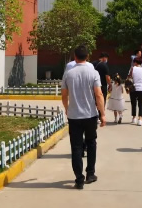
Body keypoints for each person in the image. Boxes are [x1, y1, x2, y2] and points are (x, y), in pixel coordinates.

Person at [61, 45, 106, 190]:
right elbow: (98, 94)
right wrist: (102, 114)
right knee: (91, 143)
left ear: (75, 57)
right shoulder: (93, 73)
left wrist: (67, 108)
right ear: (87, 57)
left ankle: (79, 179)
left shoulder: (68, 74)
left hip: (74, 116)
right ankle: (90, 174)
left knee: (76, 147)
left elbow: (64, 95)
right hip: (90, 114)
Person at [129, 57, 142, 126]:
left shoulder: (132, 68)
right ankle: (140, 119)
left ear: (135, 62)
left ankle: (134, 118)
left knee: (133, 103)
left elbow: (130, 77)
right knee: (141, 104)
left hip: (133, 88)